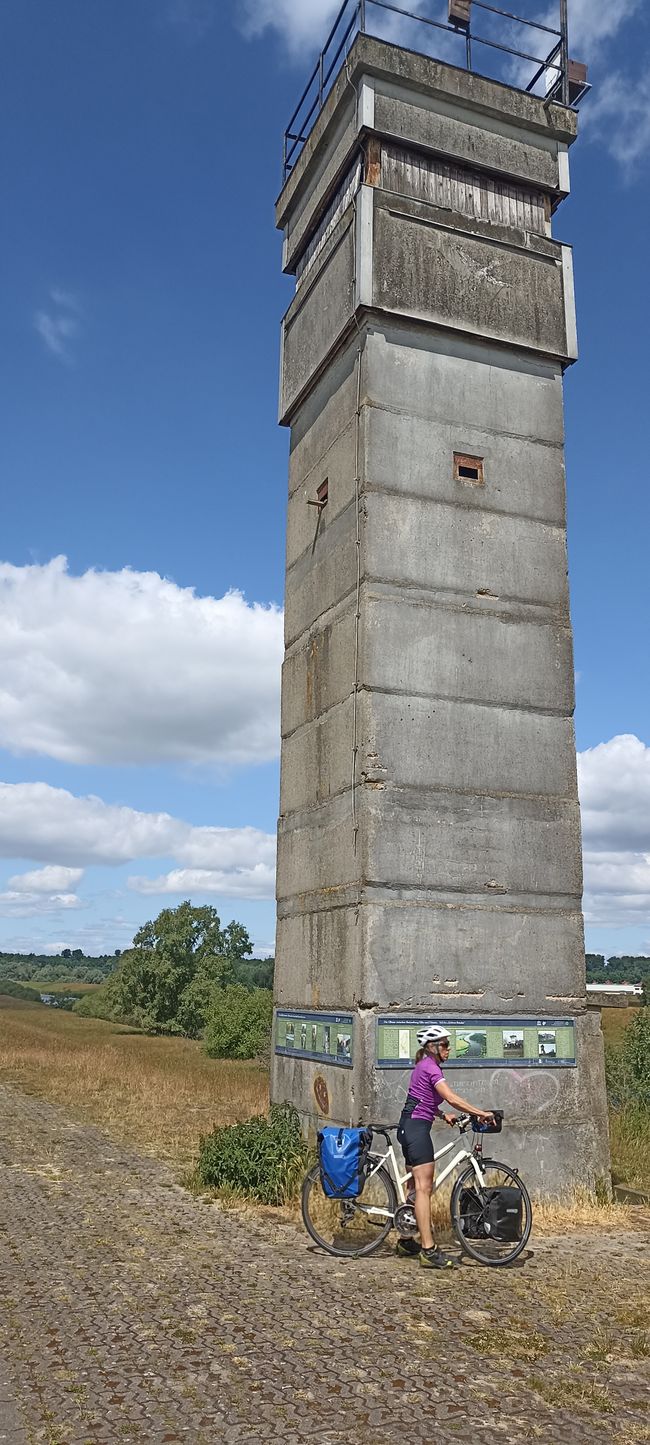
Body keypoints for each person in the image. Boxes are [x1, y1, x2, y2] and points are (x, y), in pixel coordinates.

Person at [396, 1024, 494, 1269]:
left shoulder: (424, 1066)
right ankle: (428, 1251)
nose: (449, 1049)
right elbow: (452, 1097)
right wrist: (480, 1113)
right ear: (432, 1047)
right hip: (417, 1130)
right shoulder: (430, 1067)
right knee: (423, 1187)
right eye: (445, 1045)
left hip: (409, 1126)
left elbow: (421, 1098)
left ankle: (406, 1240)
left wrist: (441, 1115)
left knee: (413, 1184)